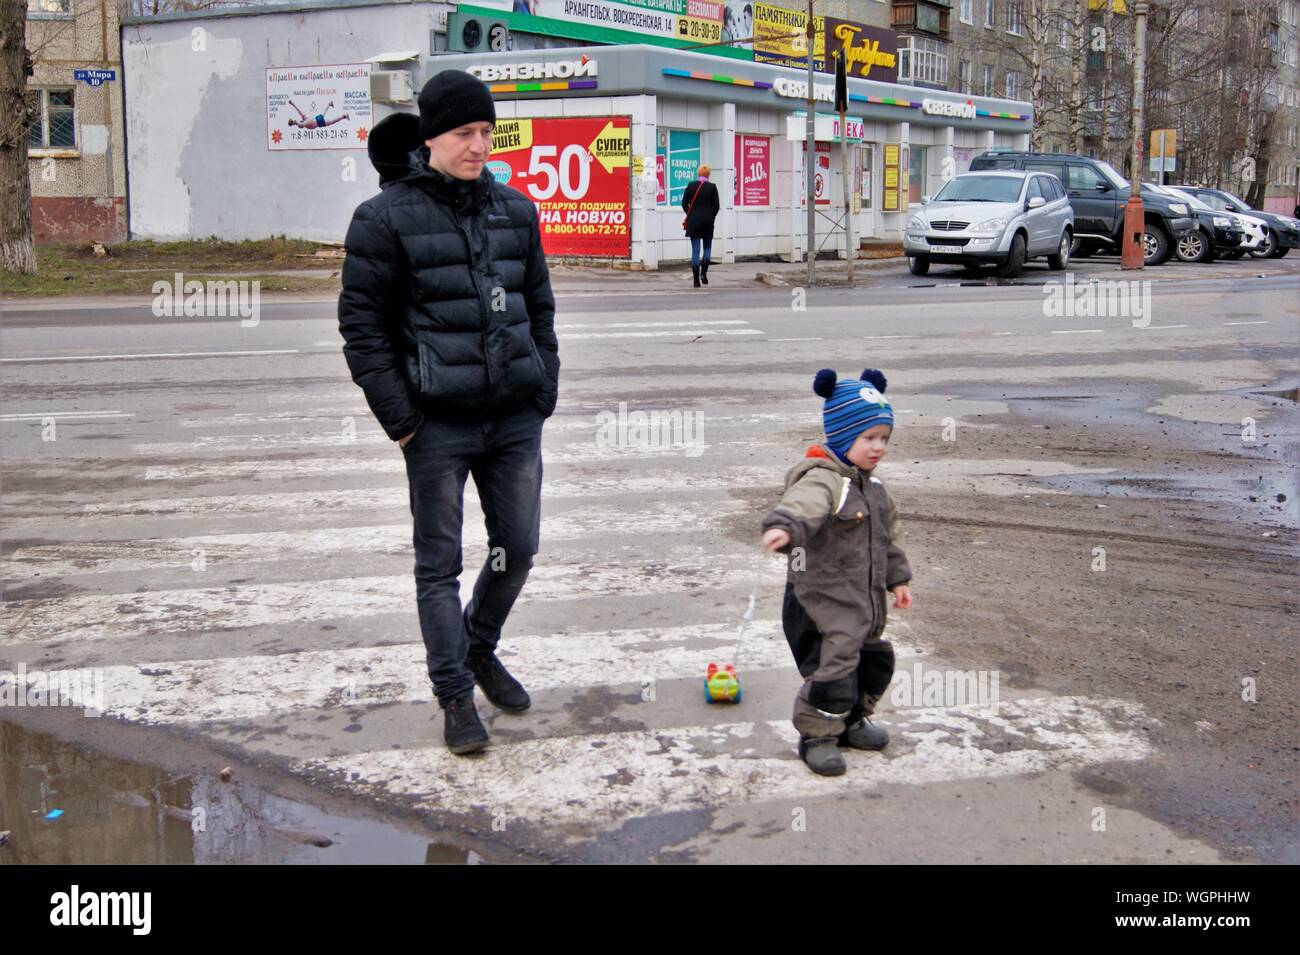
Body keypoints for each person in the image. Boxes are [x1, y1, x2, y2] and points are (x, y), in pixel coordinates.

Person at [338, 70, 560, 755]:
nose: (479, 146)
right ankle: (456, 694)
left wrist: (542, 384)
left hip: (513, 418)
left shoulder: (515, 211)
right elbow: (363, 330)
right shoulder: (385, 219)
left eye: (487, 133)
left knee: (516, 547)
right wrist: (404, 419)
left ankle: (480, 646)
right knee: (440, 564)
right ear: (431, 136)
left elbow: (540, 307)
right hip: (436, 425)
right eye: (466, 133)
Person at [760, 368, 914, 776]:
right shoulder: (825, 480)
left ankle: (852, 720)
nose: (878, 447)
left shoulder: (874, 488)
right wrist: (784, 527)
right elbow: (803, 504)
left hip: (863, 600)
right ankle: (817, 735)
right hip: (822, 598)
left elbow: (888, 536)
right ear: (844, 437)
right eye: (869, 438)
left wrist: (897, 579)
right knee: (834, 666)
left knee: (873, 658)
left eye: (884, 438)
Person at [681, 164, 720, 288]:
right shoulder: (712, 187)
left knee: (695, 251)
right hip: (708, 222)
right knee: (707, 248)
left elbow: (683, 203)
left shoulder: (691, 185)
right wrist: (711, 216)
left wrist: (690, 214)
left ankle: (696, 281)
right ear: (708, 175)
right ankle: (704, 274)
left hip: (694, 222)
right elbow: (717, 206)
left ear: (698, 174)